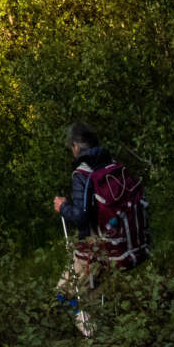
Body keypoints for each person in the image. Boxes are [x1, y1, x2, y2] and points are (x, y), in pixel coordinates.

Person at [52, 123, 116, 335]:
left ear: (76, 146)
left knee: (64, 294)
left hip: (90, 245)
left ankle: (94, 342)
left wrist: (63, 207)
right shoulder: (110, 164)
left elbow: (81, 216)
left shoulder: (82, 172)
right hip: (114, 241)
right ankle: (105, 342)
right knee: (93, 297)